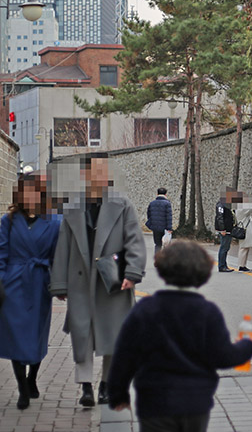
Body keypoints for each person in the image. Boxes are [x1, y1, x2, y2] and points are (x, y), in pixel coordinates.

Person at [107, 240, 252, 432]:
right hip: (195, 401)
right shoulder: (207, 313)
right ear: (202, 274)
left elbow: (125, 354)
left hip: (154, 400)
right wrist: (246, 346)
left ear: (162, 270)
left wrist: (118, 392)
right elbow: (223, 356)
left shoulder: (145, 310)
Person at [50, 153, 147, 408]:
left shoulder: (122, 204)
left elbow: (134, 241)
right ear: (85, 175)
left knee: (113, 335)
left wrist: (132, 273)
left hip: (112, 281)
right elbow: (63, 247)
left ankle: (106, 385)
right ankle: (85, 387)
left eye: (103, 171)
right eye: (94, 172)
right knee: (82, 335)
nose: (100, 176)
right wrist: (60, 283)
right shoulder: (72, 207)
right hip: (80, 280)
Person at [0, 173, 61, 410]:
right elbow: (1, 253)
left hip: (40, 283)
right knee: (16, 334)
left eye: (34, 192)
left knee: (36, 334)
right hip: (13, 284)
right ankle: (22, 389)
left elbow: (57, 257)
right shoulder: (9, 221)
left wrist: (59, 284)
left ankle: (32, 377)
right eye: (24, 192)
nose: (29, 197)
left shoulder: (53, 222)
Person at [235, 190, 252, 272]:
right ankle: (241, 266)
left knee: (245, 247)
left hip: (244, 229)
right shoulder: (241, 207)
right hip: (244, 230)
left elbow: (251, 206)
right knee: (243, 248)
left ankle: (243, 265)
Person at [214, 188, 237, 273]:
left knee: (226, 247)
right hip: (224, 230)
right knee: (224, 247)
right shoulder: (221, 205)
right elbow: (220, 217)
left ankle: (224, 264)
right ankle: (221, 266)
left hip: (228, 229)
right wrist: (222, 228)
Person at [145, 187, 173, 256]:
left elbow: (149, 214)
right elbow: (169, 217)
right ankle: (166, 260)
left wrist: (151, 223)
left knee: (157, 244)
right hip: (165, 228)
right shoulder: (167, 204)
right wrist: (169, 228)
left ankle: (156, 259)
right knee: (166, 244)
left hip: (155, 227)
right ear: (165, 194)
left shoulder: (152, 203)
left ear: (157, 194)